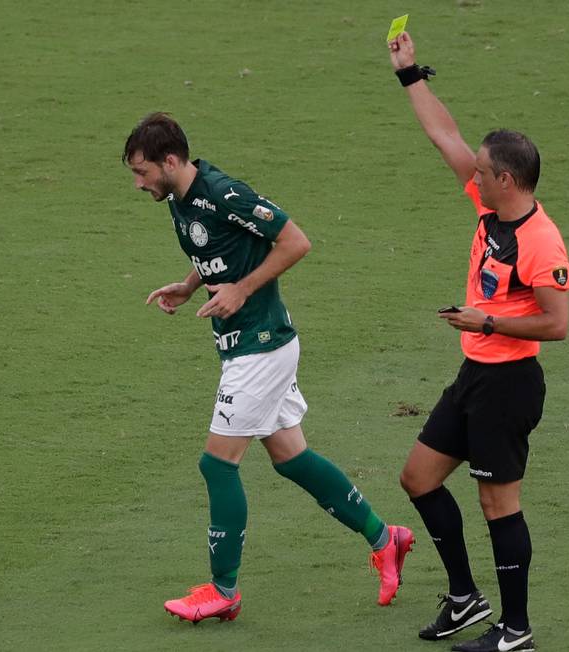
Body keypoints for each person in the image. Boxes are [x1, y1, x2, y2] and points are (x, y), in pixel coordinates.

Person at [123, 112, 414, 624]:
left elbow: (295, 241)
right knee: (291, 457)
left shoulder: (224, 192)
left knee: (217, 464)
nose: (137, 183)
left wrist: (242, 289)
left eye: (142, 172)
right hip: (248, 344)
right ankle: (384, 537)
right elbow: (220, 245)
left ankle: (224, 591)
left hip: (260, 345)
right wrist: (190, 285)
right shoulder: (181, 198)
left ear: (171, 160)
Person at [386, 31, 569, 652]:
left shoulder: (540, 241)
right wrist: (411, 75)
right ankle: (466, 597)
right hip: (475, 374)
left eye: (485, 171)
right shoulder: (490, 210)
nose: (474, 172)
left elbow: (557, 323)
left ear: (509, 179)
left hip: (509, 383)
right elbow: (444, 136)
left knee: (499, 506)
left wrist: (487, 322)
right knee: (419, 478)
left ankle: (515, 629)